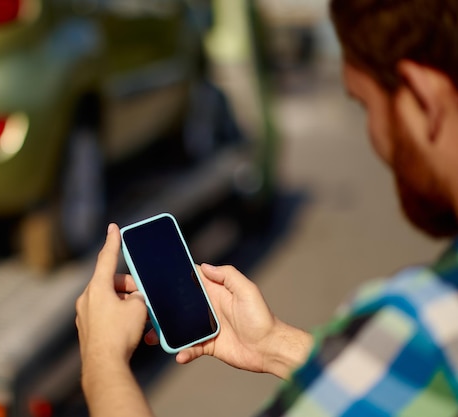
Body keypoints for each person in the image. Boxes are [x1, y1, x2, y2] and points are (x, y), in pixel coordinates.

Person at [75, 0, 458, 415]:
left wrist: (102, 364)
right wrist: (272, 344)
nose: (374, 138)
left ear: (424, 98)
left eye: (366, 105)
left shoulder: (422, 331)